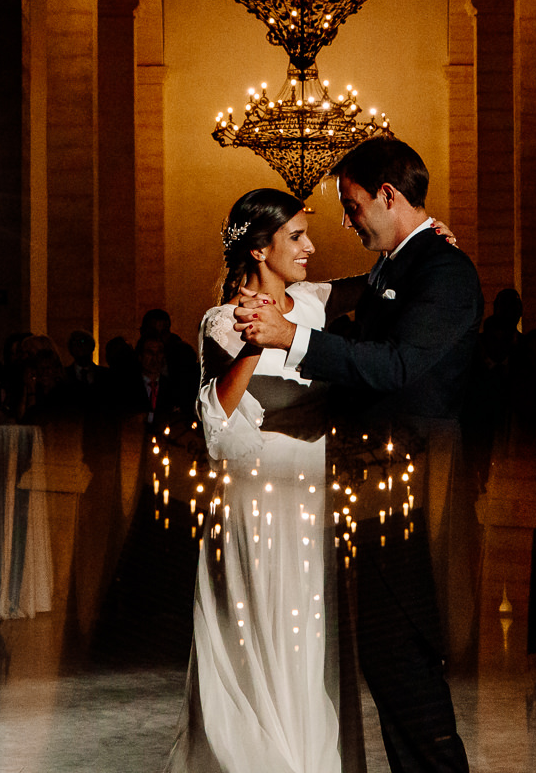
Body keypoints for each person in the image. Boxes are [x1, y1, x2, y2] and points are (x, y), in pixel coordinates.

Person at [237, 137, 479, 773]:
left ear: (389, 196)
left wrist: (291, 338)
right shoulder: (402, 263)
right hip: (376, 480)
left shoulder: (444, 271)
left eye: (352, 204)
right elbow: (354, 298)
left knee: (406, 655)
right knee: (387, 653)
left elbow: (399, 365)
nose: (346, 221)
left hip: (413, 476)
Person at [167, 187, 342, 773]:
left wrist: (427, 239)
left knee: (305, 627)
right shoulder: (221, 321)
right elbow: (215, 419)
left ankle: (301, 747)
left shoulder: (315, 304)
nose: (310, 246)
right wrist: (252, 338)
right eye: (296, 236)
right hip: (255, 489)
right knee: (254, 620)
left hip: (311, 485)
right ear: (262, 249)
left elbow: (378, 279)